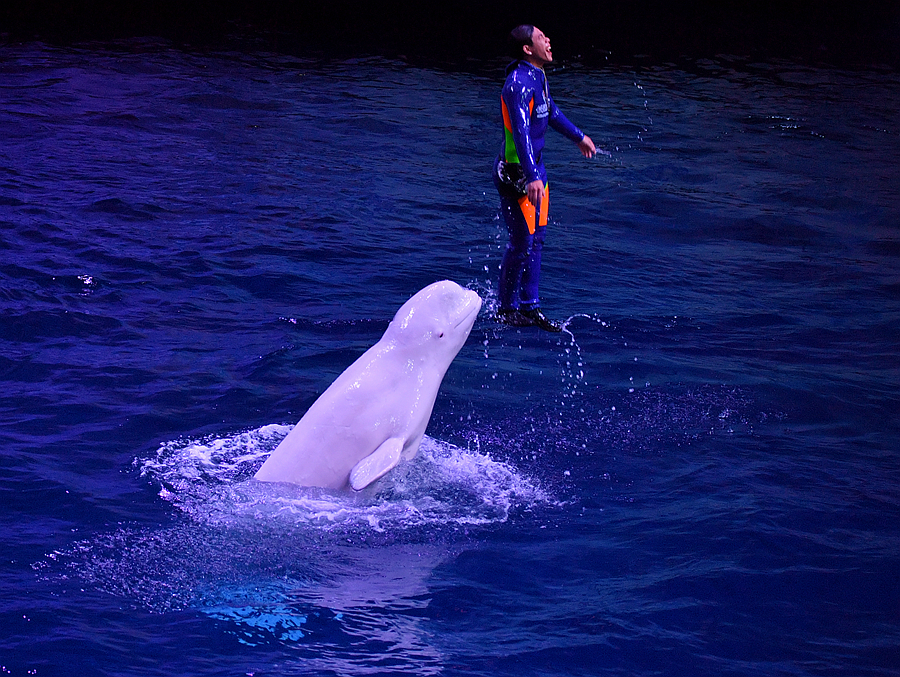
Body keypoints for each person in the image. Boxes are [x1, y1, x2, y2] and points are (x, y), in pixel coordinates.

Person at [493, 25, 596, 332]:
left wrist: (578, 136)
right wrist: (531, 176)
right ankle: (505, 309)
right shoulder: (517, 84)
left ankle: (530, 307)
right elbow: (522, 133)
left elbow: (549, 111)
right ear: (527, 48)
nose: (548, 40)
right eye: (541, 38)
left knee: (537, 241)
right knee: (521, 242)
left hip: (537, 172)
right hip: (517, 176)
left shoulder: (538, 75)